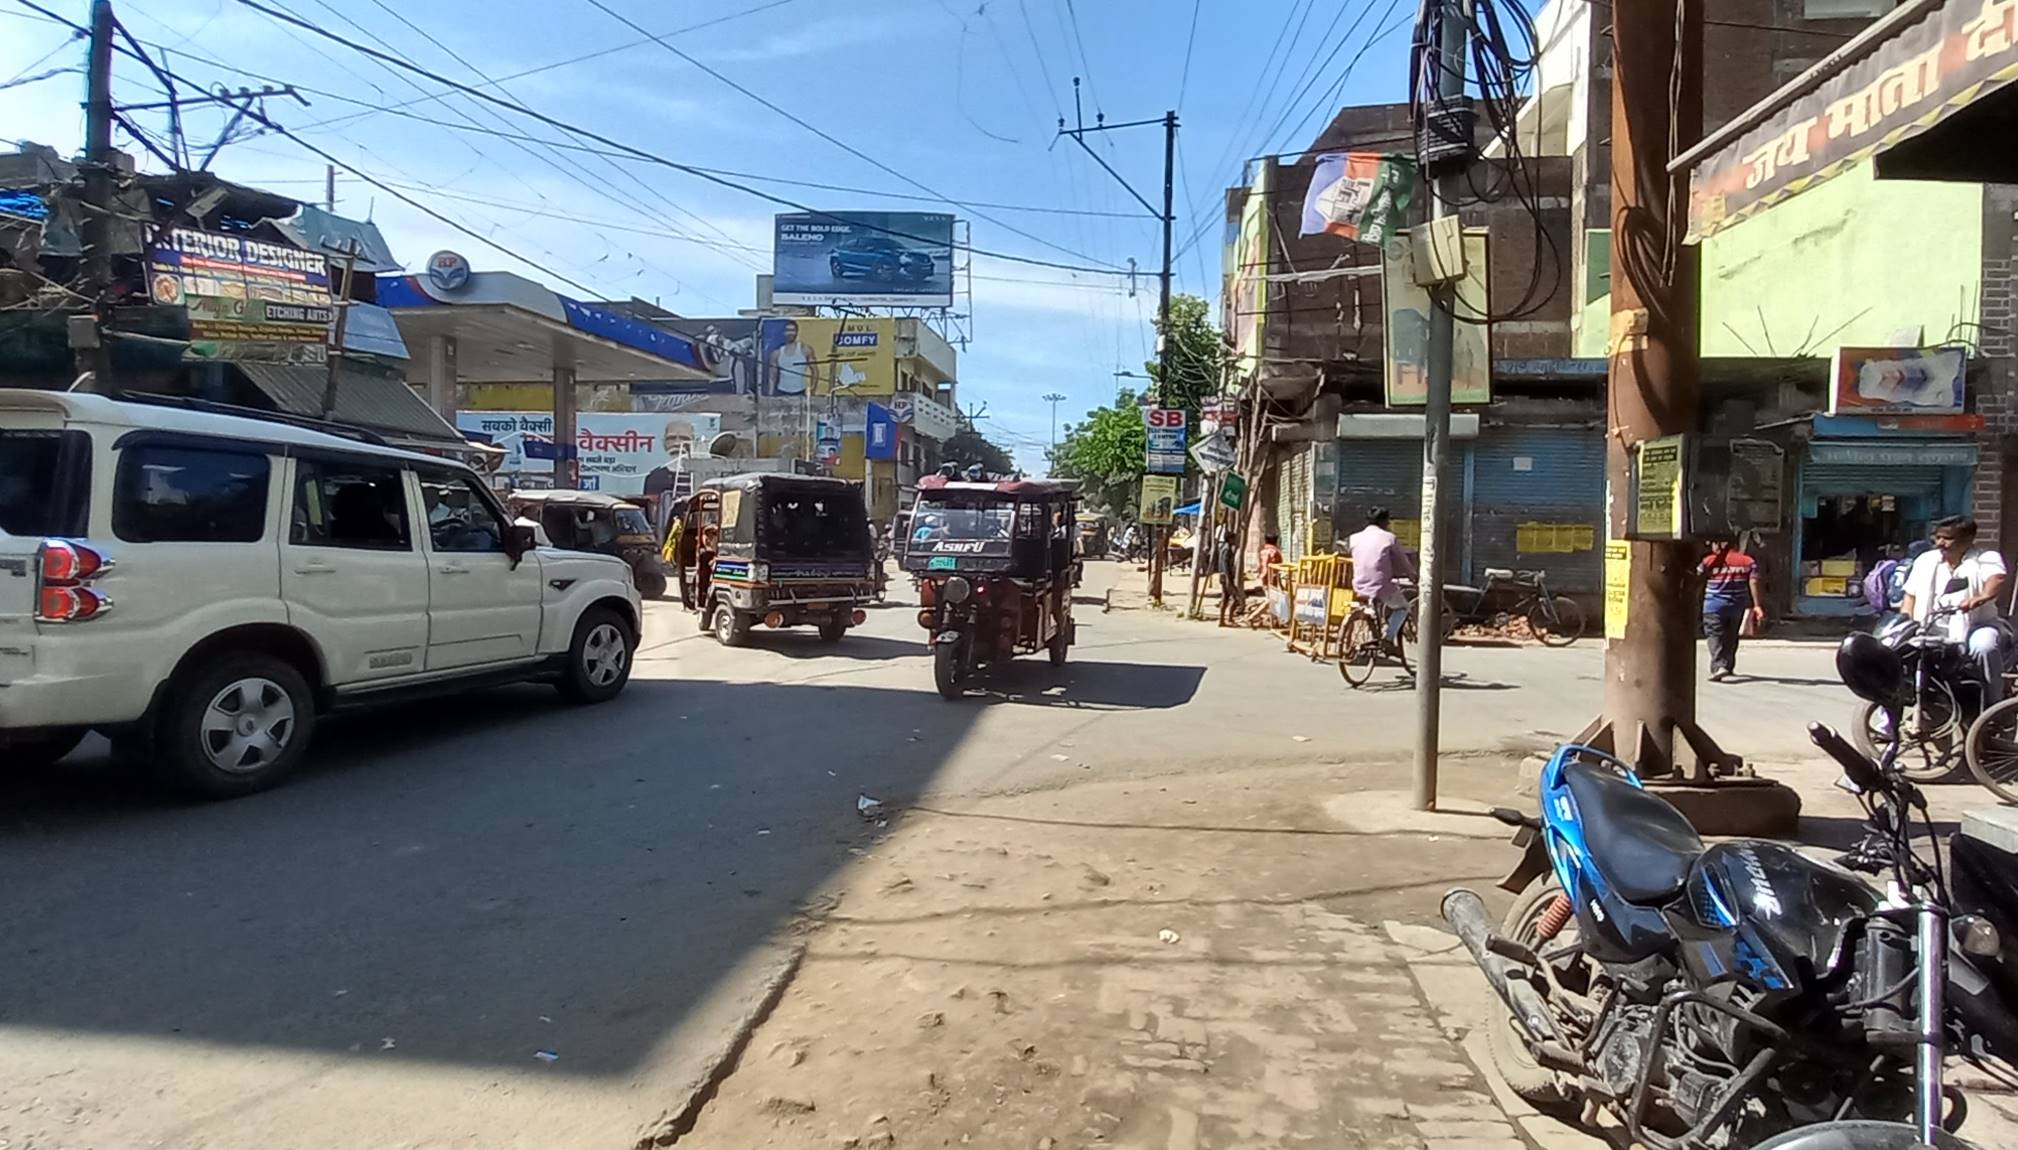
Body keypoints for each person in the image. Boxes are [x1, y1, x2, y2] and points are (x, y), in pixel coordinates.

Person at [1900, 515, 2010, 705]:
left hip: (1977, 625)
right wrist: (1905, 623)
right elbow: (1910, 595)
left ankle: (1994, 707)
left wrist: (1980, 598)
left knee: (1985, 647)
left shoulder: (1985, 558)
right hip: (1930, 628)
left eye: (1947, 538)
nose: (1940, 543)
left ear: (1968, 539)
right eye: (1937, 537)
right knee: (1901, 657)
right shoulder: (1926, 560)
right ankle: (1888, 722)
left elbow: (1996, 578)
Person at [1346, 508, 1415, 647]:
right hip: (1381, 586)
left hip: (1359, 585)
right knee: (1403, 608)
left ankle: (1376, 630)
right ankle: (1388, 639)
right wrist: (1412, 575)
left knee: (1375, 603)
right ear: (1384, 521)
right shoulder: (1389, 537)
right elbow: (1402, 560)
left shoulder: (1354, 538)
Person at [1699, 538, 1764, 682]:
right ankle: (1728, 666)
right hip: (1736, 606)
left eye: (1714, 543)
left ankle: (1718, 667)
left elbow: (1697, 577)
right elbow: (1754, 581)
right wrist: (1757, 605)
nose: (1712, 546)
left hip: (1713, 606)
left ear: (1721, 544)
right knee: (1731, 636)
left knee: (1715, 635)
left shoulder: (1709, 561)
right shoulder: (1747, 561)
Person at [767, 319, 818, 396]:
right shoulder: (776, 353)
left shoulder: (805, 350)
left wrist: (812, 390)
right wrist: (770, 396)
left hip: (800, 392)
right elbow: (772, 377)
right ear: (784, 332)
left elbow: (815, 372)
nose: (790, 333)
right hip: (782, 392)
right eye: (787, 330)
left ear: (797, 332)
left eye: (792, 330)